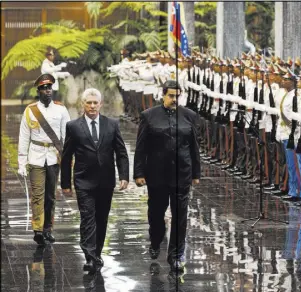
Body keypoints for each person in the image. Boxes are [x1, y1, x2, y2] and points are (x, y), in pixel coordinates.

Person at [133, 79, 201, 271]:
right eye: (171, 95)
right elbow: (141, 147)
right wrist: (139, 173)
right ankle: (155, 240)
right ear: (163, 95)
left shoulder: (189, 116)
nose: (174, 99)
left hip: (182, 174)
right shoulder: (149, 116)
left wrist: (196, 172)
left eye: (177, 96)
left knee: (180, 215)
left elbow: (195, 146)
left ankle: (176, 255)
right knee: (156, 214)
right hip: (157, 174)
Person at [60, 88, 129, 272]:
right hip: (83, 181)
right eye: (88, 102)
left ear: (101, 104)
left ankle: (97, 252)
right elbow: (66, 157)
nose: (91, 106)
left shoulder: (112, 124)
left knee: (102, 218)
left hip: (106, 181)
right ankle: (89, 256)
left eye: (95, 102)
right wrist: (65, 184)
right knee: (87, 217)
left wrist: (124, 176)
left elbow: (121, 153)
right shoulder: (73, 126)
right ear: (83, 104)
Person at [17, 73, 71, 245]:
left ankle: (48, 228)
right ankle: (38, 230)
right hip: (36, 156)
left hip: (54, 157)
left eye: (49, 88)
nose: (47, 91)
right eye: (44, 88)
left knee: (50, 196)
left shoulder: (61, 110)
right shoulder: (30, 111)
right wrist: (21, 162)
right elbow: (24, 137)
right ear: (38, 91)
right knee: (37, 195)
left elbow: (67, 135)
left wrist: (68, 158)